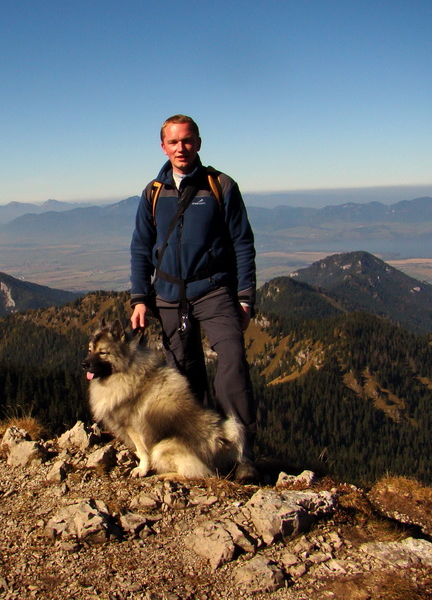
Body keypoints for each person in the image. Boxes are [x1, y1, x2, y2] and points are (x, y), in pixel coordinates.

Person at [129, 114, 259, 482]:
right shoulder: (153, 192)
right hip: (169, 295)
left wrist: (245, 298)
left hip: (214, 290)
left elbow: (242, 243)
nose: (181, 148)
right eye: (173, 142)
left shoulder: (220, 186)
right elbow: (141, 247)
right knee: (184, 379)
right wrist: (140, 298)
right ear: (163, 146)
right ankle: (201, 452)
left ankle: (242, 455)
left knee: (232, 363)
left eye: (187, 141)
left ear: (198, 143)